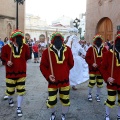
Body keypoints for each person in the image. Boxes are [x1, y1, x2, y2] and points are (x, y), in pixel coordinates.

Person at [40, 32, 74, 120]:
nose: (58, 41)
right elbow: (43, 66)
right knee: (51, 100)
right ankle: (53, 113)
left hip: (64, 80)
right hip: (52, 80)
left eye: (60, 39)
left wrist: (65, 71)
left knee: (65, 100)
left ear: (62, 40)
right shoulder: (47, 51)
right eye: (56, 39)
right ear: (53, 41)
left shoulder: (68, 50)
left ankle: (63, 114)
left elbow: (71, 63)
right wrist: (48, 75)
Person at [1, 30, 30, 117]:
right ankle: (10, 99)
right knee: (10, 91)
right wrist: (7, 61)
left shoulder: (25, 47)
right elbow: (2, 56)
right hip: (10, 73)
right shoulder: (6, 47)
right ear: (13, 40)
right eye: (16, 42)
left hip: (21, 73)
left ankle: (19, 107)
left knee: (21, 91)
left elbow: (27, 56)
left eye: (19, 42)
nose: (18, 44)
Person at [100, 33, 120, 120]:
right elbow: (102, 68)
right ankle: (107, 115)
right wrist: (107, 77)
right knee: (111, 100)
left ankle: (119, 115)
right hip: (112, 81)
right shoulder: (108, 54)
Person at [85, 34, 107, 102]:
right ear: (94, 41)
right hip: (92, 69)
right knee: (92, 82)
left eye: (99, 40)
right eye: (97, 40)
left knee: (100, 83)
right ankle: (89, 94)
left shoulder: (104, 49)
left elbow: (107, 58)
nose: (98, 42)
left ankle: (98, 95)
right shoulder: (91, 48)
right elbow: (87, 58)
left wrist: (103, 64)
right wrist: (92, 63)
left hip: (100, 69)